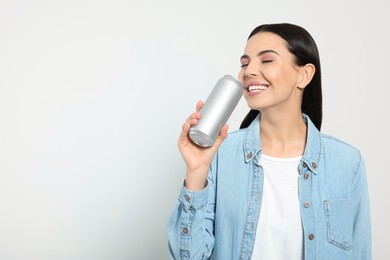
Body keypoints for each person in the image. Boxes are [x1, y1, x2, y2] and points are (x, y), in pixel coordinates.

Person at [167, 23, 371, 260]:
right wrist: (196, 171)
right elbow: (188, 257)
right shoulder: (220, 154)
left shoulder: (346, 163)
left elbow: (361, 252)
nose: (248, 71)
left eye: (266, 60)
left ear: (304, 75)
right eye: (245, 63)